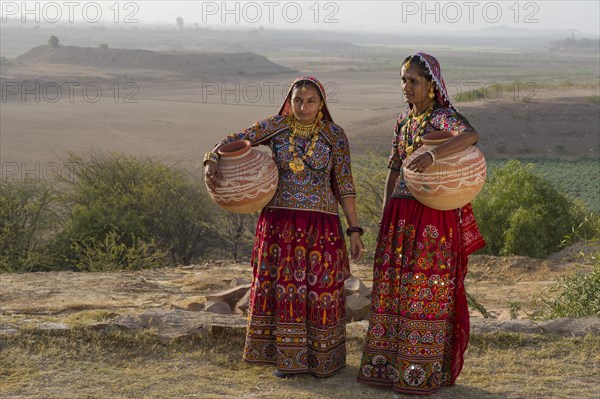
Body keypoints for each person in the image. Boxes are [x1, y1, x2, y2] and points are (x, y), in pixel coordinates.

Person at [204, 76, 365, 378]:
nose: (303, 107)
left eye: (311, 101)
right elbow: (232, 140)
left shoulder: (335, 135)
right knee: (284, 291)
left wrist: (354, 229)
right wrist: (212, 159)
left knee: (321, 290)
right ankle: (287, 360)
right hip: (280, 225)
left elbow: (345, 184)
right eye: (297, 100)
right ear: (289, 101)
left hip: (321, 225)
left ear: (322, 104)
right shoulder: (276, 126)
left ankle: (323, 360)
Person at [357, 53, 486, 395]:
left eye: (413, 81)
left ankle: (421, 370)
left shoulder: (444, 118)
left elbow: (470, 135)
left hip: (431, 214)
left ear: (431, 86)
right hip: (400, 215)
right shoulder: (402, 123)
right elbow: (394, 170)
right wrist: (385, 215)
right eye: (403, 80)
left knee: (425, 289)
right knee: (394, 288)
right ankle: (386, 367)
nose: (407, 87)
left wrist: (432, 154)